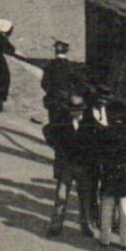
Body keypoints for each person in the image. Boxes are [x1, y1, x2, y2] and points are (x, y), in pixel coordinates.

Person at [86, 90, 126, 248]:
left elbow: (99, 152)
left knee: (107, 207)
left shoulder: (105, 132)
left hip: (109, 173)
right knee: (125, 210)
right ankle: (125, 240)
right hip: (125, 175)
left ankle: (104, 239)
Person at [44, 94, 92, 238]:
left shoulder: (89, 123)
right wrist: (58, 148)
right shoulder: (62, 122)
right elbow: (47, 131)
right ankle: (56, 226)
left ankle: (85, 225)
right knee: (61, 196)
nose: (76, 113)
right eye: (73, 110)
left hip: (83, 166)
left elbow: (96, 140)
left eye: (78, 110)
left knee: (84, 198)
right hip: (66, 165)